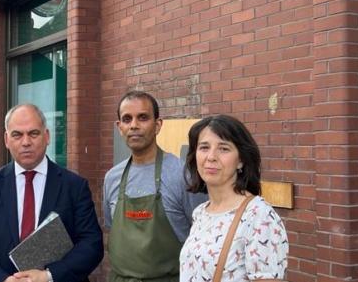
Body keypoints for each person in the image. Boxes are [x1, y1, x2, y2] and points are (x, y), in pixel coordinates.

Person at [0, 103, 103, 282]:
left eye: (33, 133)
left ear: (47, 136)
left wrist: (49, 276)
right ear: (6, 140)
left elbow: (91, 244)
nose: (26, 142)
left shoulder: (74, 186)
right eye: (17, 135)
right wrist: (3, 279)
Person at [103, 91, 208, 281]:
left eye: (142, 118)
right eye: (127, 119)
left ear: (158, 125)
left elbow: (205, 239)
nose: (134, 125)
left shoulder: (183, 176)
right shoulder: (112, 178)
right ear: (120, 127)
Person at [179, 114, 288, 281]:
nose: (211, 157)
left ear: (241, 160)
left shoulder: (259, 216)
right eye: (204, 147)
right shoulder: (201, 213)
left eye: (223, 148)